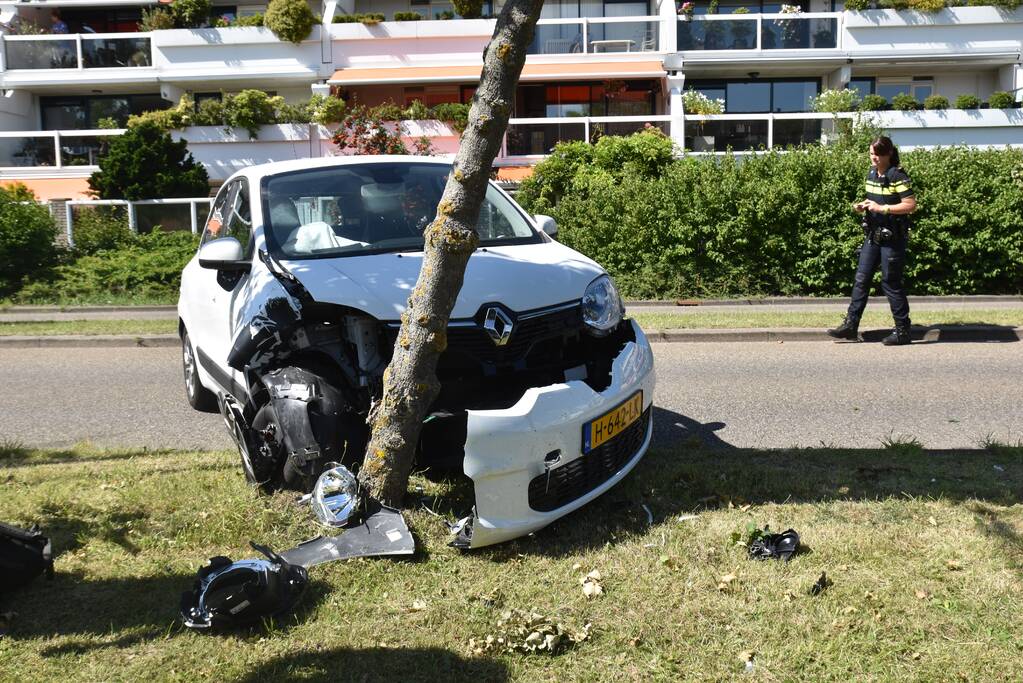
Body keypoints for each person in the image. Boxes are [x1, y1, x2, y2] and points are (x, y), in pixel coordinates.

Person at [828, 136, 917, 346]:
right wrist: (864, 205)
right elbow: (875, 200)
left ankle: (903, 330)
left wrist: (883, 208)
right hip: (873, 235)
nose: (873, 158)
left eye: (877, 154)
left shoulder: (897, 175)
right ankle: (851, 325)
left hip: (893, 238)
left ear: (888, 154)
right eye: (871, 153)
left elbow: (910, 205)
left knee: (890, 283)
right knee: (861, 279)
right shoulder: (871, 174)